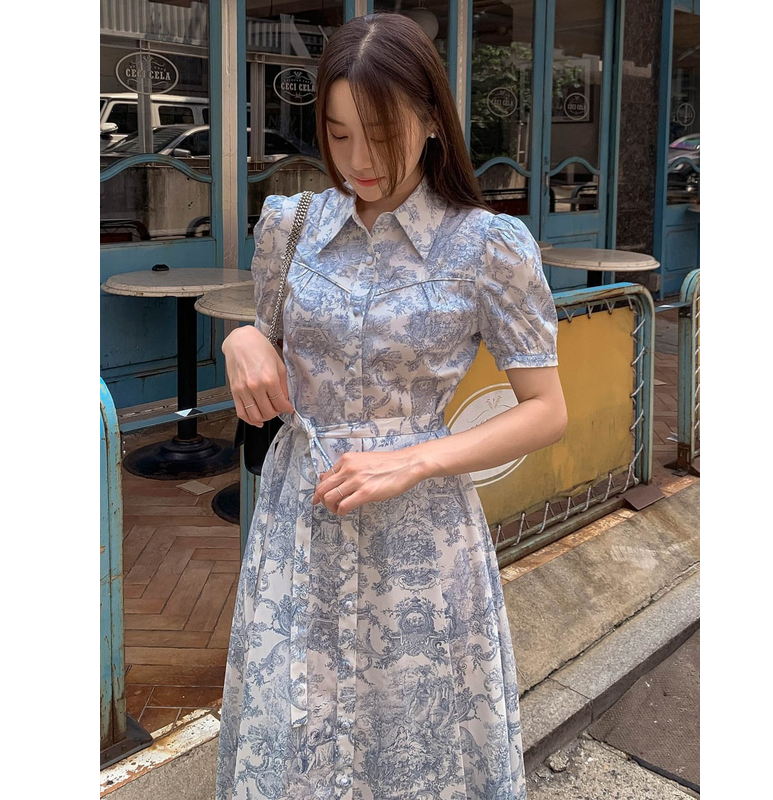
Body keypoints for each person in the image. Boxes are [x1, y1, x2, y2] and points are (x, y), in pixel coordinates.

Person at [216, 12, 568, 800]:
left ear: (434, 120)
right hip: (302, 515)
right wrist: (241, 338)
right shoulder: (291, 227)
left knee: (414, 732)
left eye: (381, 134)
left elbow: (546, 410)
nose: (359, 161)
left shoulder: (488, 247)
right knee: (296, 725)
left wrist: (415, 458)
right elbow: (269, 342)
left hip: (420, 533)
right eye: (338, 135)